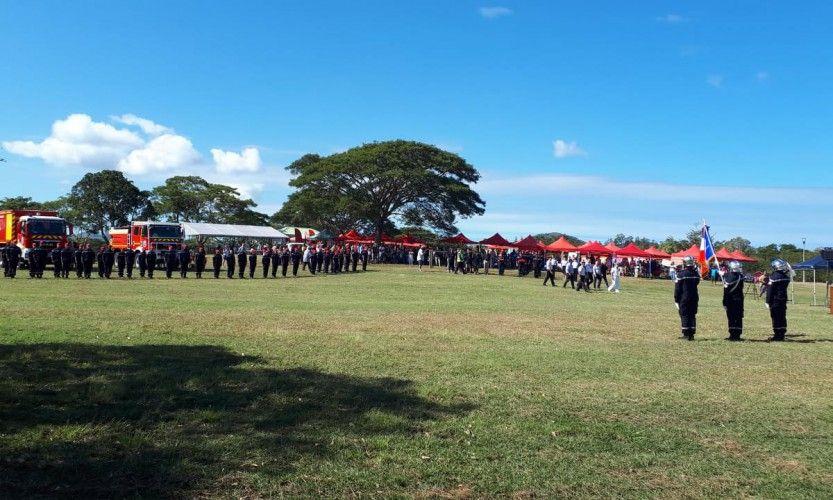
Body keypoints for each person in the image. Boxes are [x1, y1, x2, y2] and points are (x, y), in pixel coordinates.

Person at [674, 256, 701, 340]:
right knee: (692, 315)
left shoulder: (681, 274)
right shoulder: (696, 274)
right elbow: (697, 282)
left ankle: (686, 334)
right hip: (694, 297)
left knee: (684, 314)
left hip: (684, 297)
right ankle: (691, 334)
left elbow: (677, 288)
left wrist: (676, 299)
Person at [766, 259, 792, 341]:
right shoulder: (786, 277)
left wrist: (767, 301)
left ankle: (777, 335)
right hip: (783, 299)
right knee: (782, 316)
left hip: (775, 300)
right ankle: (782, 333)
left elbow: (770, 290)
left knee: (775, 317)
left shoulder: (774, 276)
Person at [721, 260, 745, 341]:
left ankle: (732, 334)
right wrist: (724, 274)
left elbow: (726, 290)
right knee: (738, 317)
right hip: (739, 300)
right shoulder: (740, 276)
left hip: (731, 300)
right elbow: (732, 276)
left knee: (731, 317)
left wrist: (724, 302)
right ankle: (737, 334)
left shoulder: (729, 277)